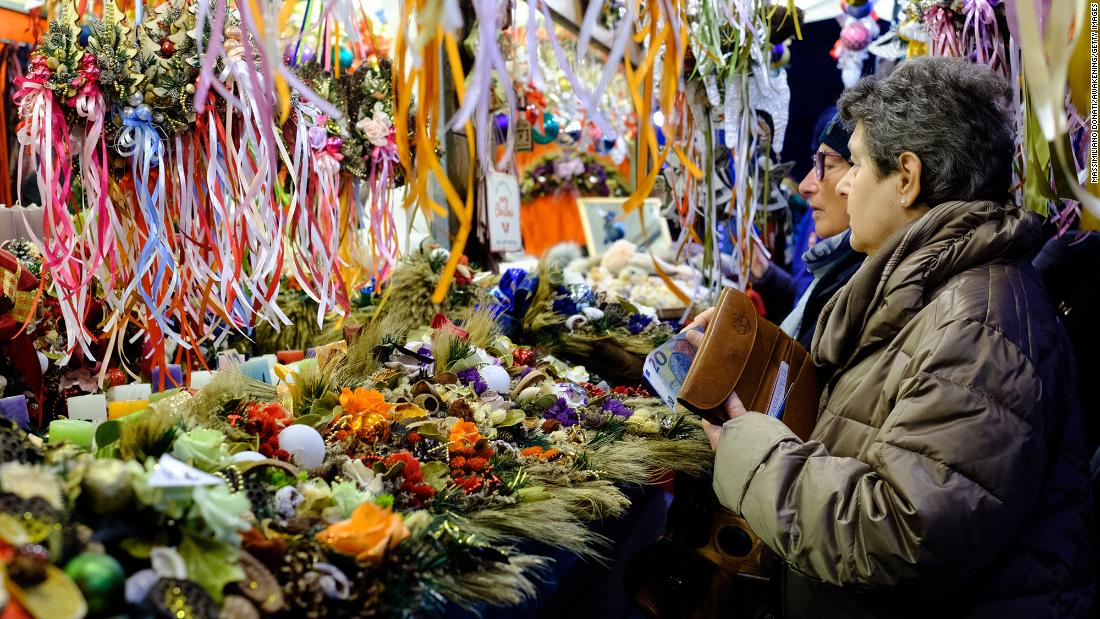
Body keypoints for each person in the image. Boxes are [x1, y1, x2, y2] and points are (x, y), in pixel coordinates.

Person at [688, 57, 1095, 617]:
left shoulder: (979, 326)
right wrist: (748, 354)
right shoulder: (934, 287)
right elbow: (861, 415)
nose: (843, 184)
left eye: (853, 164)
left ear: (907, 178)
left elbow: (898, 533)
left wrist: (753, 459)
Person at [750, 112, 865, 349]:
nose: (804, 186)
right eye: (815, 164)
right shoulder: (819, 228)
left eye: (828, 164)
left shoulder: (871, 284)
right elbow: (801, 300)